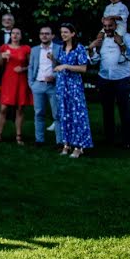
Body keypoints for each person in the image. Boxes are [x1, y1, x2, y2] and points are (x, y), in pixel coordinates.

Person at [89, 17, 130, 148]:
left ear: (116, 26)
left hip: (121, 78)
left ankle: (127, 141)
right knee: (107, 110)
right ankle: (109, 139)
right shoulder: (101, 38)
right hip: (104, 78)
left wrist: (121, 44)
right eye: (105, 26)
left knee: (124, 110)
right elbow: (94, 60)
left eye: (110, 26)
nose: (107, 29)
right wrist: (91, 49)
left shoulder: (126, 37)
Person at [54, 23, 92, 158]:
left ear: (72, 34)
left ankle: (79, 146)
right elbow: (60, 64)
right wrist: (55, 61)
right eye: (61, 32)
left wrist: (65, 66)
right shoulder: (61, 48)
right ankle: (66, 144)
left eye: (66, 32)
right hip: (62, 86)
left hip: (74, 87)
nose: (63, 34)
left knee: (77, 116)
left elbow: (83, 68)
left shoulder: (80, 48)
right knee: (64, 115)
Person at [0, 28, 32, 144]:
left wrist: (23, 68)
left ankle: (19, 136)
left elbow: (32, 65)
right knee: (3, 108)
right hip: (8, 79)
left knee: (20, 108)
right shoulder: (4, 48)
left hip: (21, 80)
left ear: (21, 36)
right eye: (13, 33)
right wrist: (2, 57)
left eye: (17, 33)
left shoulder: (26, 49)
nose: (14, 35)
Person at [28, 26, 62, 146]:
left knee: (57, 114)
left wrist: (55, 76)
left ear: (52, 36)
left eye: (47, 34)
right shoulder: (35, 50)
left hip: (54, 86)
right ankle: (39, 140)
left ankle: (60, 141)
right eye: (42, 33)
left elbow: (63, 66)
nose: (44, 36)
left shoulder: (59, 48)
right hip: (38, 85)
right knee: (39, 113)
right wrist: (31, 83)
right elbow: (31, 67)